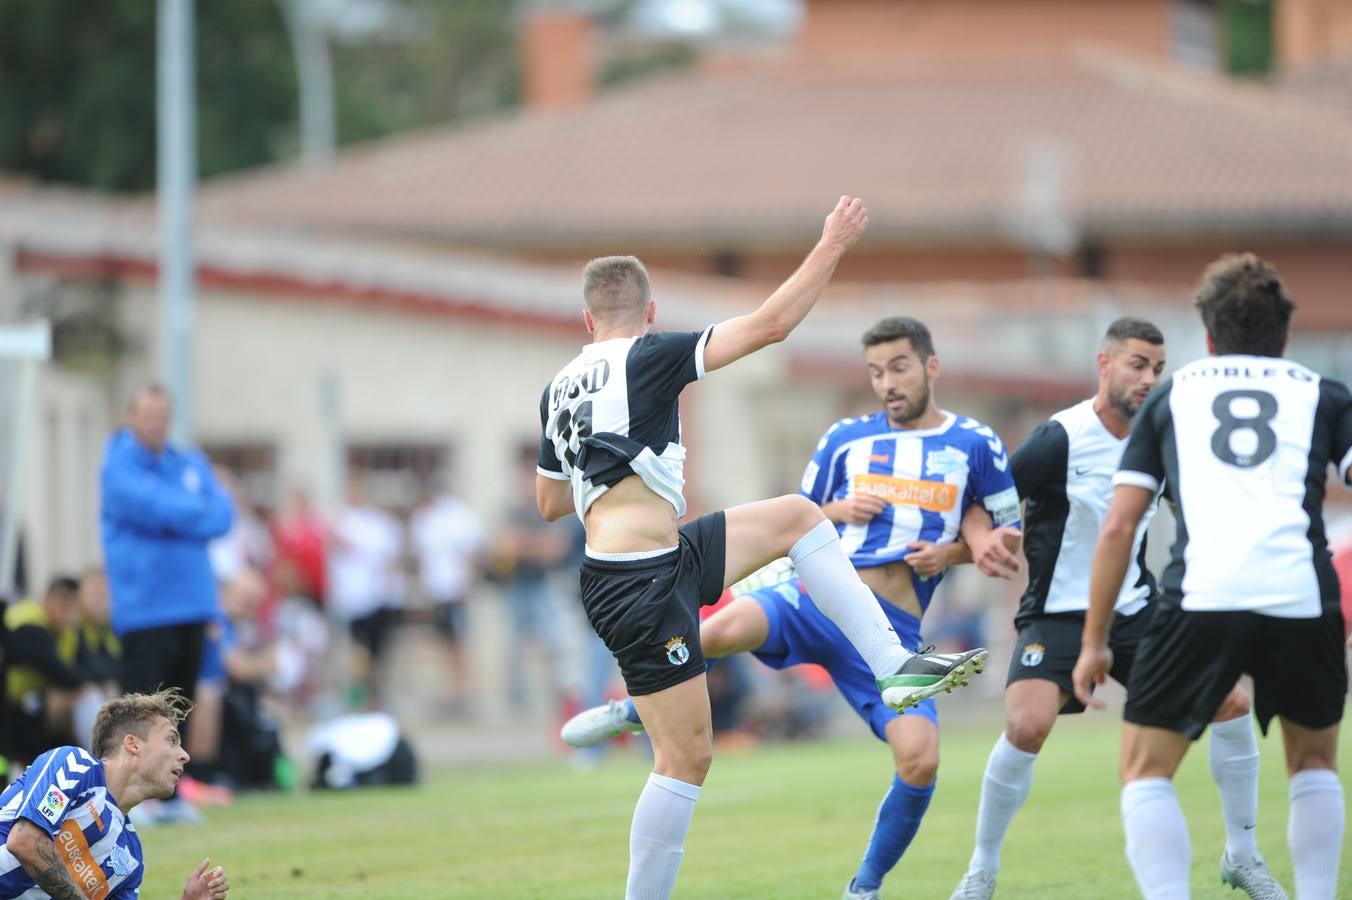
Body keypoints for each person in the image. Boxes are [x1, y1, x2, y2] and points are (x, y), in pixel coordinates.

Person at [536, 199, 989, 900]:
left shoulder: (559, 388)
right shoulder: (649, 356)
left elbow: (547, 503)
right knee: (686, 758)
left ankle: (895, 664)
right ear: (650, 313)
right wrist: (833, 242)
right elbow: (771, 325)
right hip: (637, 582)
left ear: (587, 320)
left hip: (655, 559)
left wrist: (611, 472)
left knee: (799, 518)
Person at [952, 318, 1280, 899]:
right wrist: (976, 542)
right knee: (1026, 726)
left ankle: (1243, 854)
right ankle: (981, 870)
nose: (1149, 378)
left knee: (1231, 703)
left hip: (1135, 610)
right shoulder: (1060, 438)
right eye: (1137, 364)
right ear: (1104, 364)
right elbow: (982, 498)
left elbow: (1198, 515)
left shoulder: (1163, 438)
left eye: (1157, 367)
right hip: (1054, 615)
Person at [1072, 255, 1348, 900]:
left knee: (1145, 771)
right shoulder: (1324, 393)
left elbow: (1118, 528)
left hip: (1200, 597)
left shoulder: (1172, 397)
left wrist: (1093, 642)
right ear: (1284, 335)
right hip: (1302, 597)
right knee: (1313, 765)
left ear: (1210, 336)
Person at [0, 688, 230, 899]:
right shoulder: (75, 766)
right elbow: (25, 841)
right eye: (171, 740)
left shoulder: (131, 857)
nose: (184, 755)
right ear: (133, 744)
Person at [100, 385, 233, 728]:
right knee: (139, 722)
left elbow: (223, 515)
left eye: (162, 417)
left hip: (193, 607)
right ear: (131, 418)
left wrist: (176, 514)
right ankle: (128, 785)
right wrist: (193, 510)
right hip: (146, 612)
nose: (156, 424)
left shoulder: (189, 462)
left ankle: (172, 784)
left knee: (178, 720)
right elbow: (153, 507)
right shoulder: (118, 467)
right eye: (148, 416)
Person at [493, 445, 572, 713]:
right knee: (513, 652)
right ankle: (518, 705)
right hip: (515, 587)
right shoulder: (510, 510)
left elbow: (554, 549)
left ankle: (557, 703)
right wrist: (532, 546)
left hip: (544, 586)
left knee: (553, 648)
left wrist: (523, 545)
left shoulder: (550, 510)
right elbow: (505, 548)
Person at [409, 478, 483, 716]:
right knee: (445, 644)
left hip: (455, 591)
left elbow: (471, 553)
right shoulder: (425, 518)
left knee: (459, 643)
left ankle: (462, 692)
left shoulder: (457, 515)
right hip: (438, 592)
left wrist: (467, 586)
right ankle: (451, 692)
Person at [2, 577, 86, 765]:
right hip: (13, 703)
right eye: (62, 602)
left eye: (73, 604)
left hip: (25, 699)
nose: (68, 610)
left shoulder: (68, 632)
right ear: (46, 599)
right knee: (63, 698)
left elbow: (88, 667)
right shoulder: (27, 623)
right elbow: (63, 674)